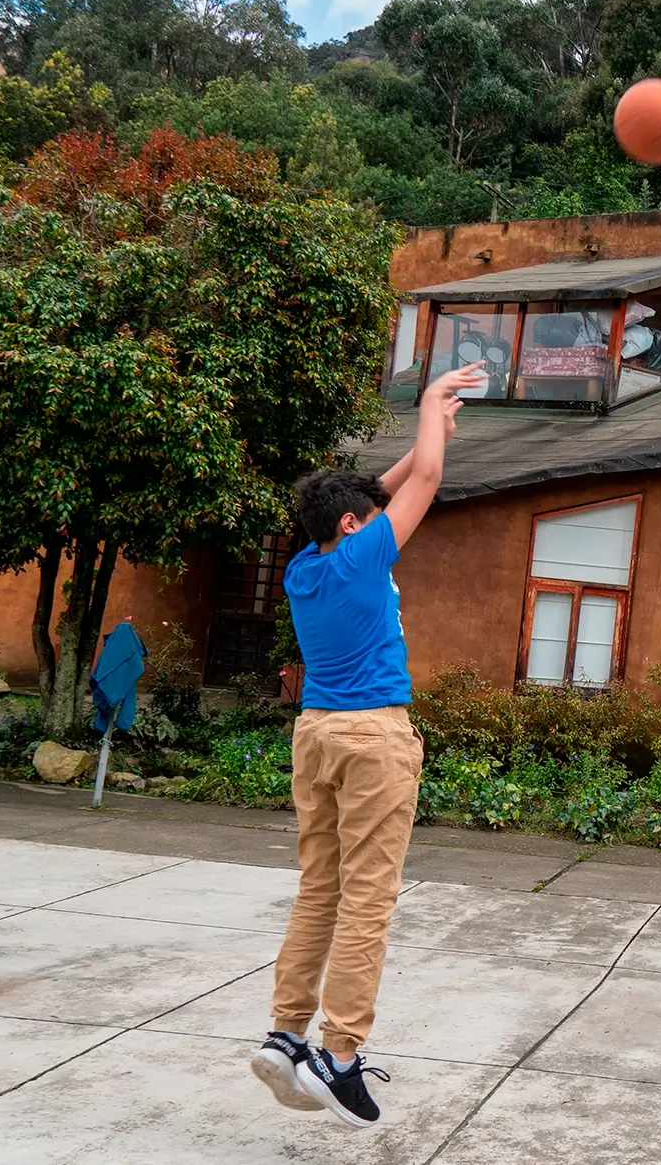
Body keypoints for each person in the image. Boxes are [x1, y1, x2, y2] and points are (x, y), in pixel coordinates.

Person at [250, 361, 482, 1127]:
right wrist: (427, 411)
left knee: (320, 886)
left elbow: (374, 492)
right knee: (368, 901)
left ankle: (286, 1035)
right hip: (373, 736)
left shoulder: (302, 568)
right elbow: (424, 485)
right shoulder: (363, 553)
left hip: (314, 735)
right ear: (354, 525)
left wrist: (430, 428)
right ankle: (340, 1057)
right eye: (364, 512)